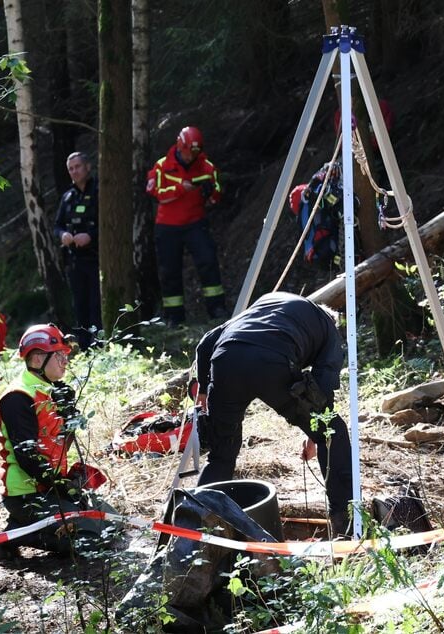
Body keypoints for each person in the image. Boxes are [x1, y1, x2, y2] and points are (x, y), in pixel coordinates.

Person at [194, 292, 354, 536]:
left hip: (226, 359)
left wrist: (204, 390)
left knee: (220, 455)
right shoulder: (328, 327)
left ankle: (195, 526)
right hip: (272, 360)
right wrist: (317, 433)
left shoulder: (267, 304)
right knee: (334, 433)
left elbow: (206, 342)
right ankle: (345, 522)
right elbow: (324, 382)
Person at [0, 323, 117, 562]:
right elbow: (27, 457)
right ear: (38, 358)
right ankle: (17, 534)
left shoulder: (50, 391)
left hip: (50, 487)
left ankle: (32, 524)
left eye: (64, 355)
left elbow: (60, 445)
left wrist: (69, 418)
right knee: (91, 542)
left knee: (112, 523)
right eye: (59, 356)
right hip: (27, 494)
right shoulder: (18, 398)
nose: (65, 361)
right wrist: (62, 486)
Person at [146, 126, 228, 326]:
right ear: (178, 146)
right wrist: (180, 188)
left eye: (194, 153)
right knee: (169, 271)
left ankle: (216, 308)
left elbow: (216, 195)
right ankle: (174, 316)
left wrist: (211, 192)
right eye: (187, 152)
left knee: (208, 261)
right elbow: (155, 193)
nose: (190, 157)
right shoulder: (162, 166)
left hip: (195, 223)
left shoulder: (207, 167)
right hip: (167, 226)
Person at [54, 152, 102, 349]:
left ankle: (99, 345)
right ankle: (84, 347)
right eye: (71, 169)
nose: (74, 171)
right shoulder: (68, 197)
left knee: (96, 305)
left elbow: (111, 223)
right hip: (75, 260)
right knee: (80, 305)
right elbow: (57, 225)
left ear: (87, 167)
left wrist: (90, 236)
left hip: (97, 258)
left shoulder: (100, 190)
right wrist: (63, 235)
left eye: (77, 167)